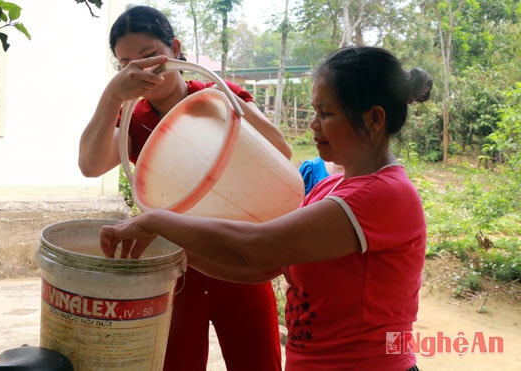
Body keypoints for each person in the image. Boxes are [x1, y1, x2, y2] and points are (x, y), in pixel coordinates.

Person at [98, 45, 433, 371]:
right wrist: (177, 251)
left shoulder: (383, 195)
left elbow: (257, 246)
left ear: (374, 118)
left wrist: (157, 221)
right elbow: (261, 267)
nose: (314, 124)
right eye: (315, 111)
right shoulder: (332, 186)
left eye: (326, 113)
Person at [78, 6, 289, 371]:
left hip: (236, 258)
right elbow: (90, 165)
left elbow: (281, 150)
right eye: (126, 64)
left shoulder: (217, 96)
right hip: (176, 271)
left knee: (259, 362)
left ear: (174, 49)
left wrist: (226, 102)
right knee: (177, 363)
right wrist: (113, 96)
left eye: (149, 56)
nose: (141, 70)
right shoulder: (134, 119)